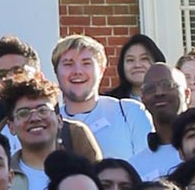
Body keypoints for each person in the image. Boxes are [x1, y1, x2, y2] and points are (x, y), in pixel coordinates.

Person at [50, 35, 151, 163]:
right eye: (68, 64)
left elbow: (148, 168)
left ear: (102, 70)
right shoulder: (48, 123)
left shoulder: (129, 112)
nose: (77, 71)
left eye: (86, 63)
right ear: (56, 72)